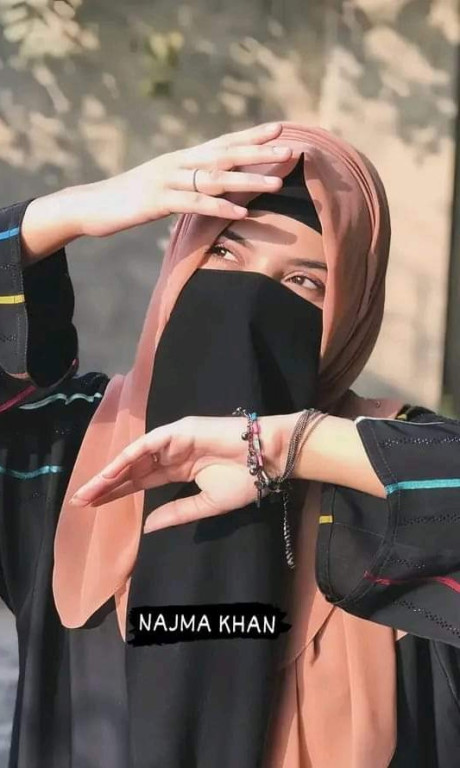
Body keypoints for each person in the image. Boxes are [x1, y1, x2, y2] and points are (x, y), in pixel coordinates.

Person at [0, 119, 454, 768]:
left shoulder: (384, 483)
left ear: (348, 316)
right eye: (223, 254)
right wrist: (64, 214)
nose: (248, 302)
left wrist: (291, 447)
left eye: (304, 284)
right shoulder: (67, 451)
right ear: (180, 264)